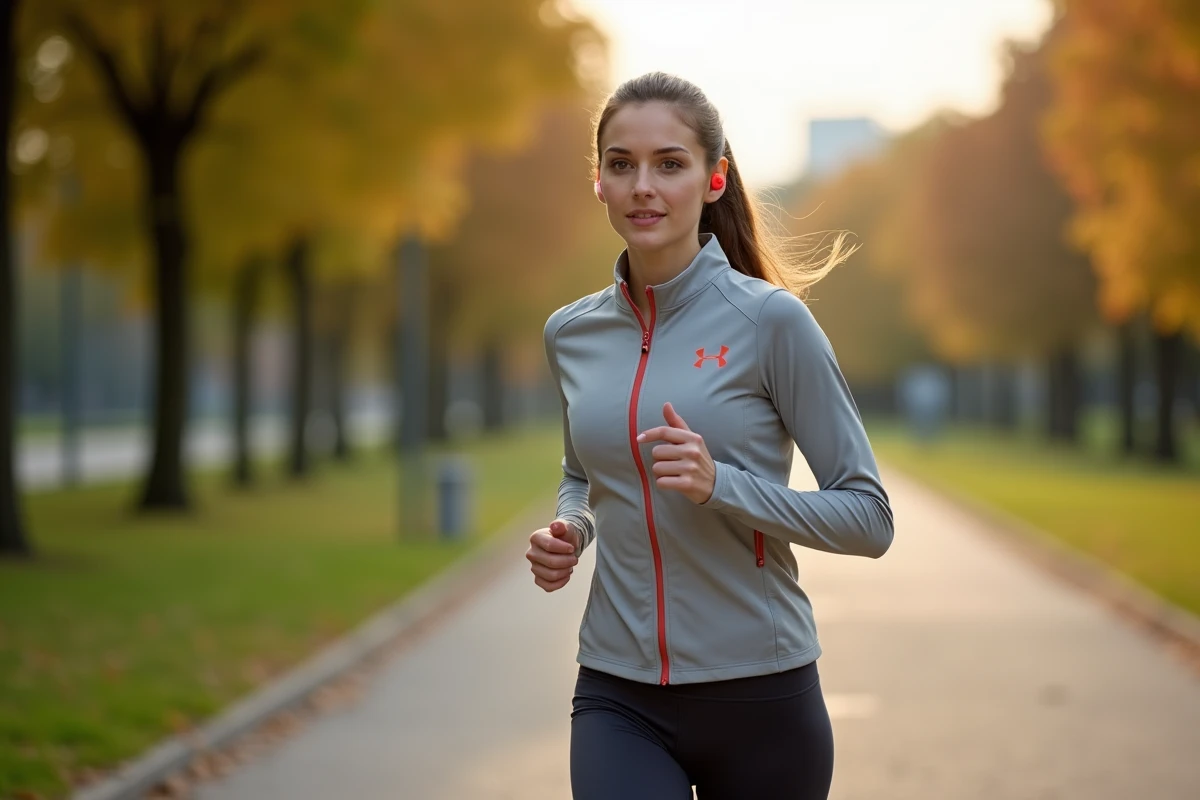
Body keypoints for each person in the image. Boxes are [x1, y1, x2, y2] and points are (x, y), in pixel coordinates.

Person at [527, 71, 894, 800]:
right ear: (598, 181)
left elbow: (870, 518)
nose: (643, 186)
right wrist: (572, 526)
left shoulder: (771, 323)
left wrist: (722, 486)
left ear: (714, 178)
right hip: (617, 689)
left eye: (670, 163)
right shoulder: (571, 333)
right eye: (621, 164)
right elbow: (582, 473)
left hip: (761, 696)